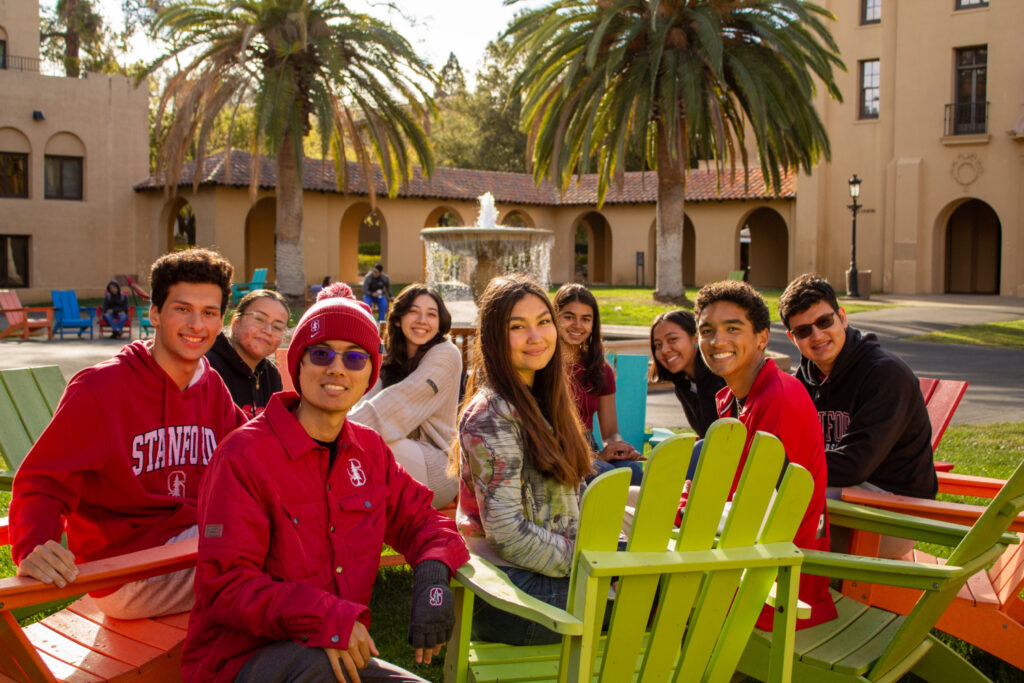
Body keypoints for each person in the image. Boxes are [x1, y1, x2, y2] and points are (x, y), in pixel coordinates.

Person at [182, 283, 469, 683]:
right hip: (242, 659)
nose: (337, 368)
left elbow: (422, 519)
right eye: (321, 354)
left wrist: (433, 576)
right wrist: (327, 616)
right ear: (297, 364)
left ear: (370, 374)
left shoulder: (369, 449)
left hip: (333, 652)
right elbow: (227, 585)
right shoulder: (243, 455)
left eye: (354, 358)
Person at [10, 248, 246, 619]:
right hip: (125, 570)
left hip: (192, 545)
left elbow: (246, 454)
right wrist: (34, 542)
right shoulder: (100, 389)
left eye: (209, 313)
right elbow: (43, 481)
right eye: (182, 309)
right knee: (269, 549)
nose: (197, 324)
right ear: (154, 313)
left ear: (221, 322)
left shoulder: (211, 385)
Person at [454, 274, 594, 646]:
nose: (536, 337)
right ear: (495, 339)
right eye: (518, 327)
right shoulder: (492, 415)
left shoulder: (542, 402)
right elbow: (507, 534)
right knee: (655, 596)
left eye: (543, 322)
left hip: (546, 574)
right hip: (508, 594)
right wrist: (590, 566)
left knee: (660, 575)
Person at [691, 279, 836, 630]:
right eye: (706, 330)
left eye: (732, 328)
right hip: (746, 557)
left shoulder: (778, 400)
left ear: (761, 337)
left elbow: (758, 513)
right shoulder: (740, 397)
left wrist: (679, 511)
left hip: (775, 589)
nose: (717, 341)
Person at [779, 274, 936, 556]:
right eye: (803, 331)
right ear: (792, 338)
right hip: (840, 500)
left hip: (894, 511)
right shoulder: (801, 382)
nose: (816, 335)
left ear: (842, 317)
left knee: (772, 509)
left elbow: (855, 466)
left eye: (824, 322)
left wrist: (776, 468)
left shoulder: (884, 375)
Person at [349, 284, 461, 507]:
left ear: (439, 323)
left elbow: (399, 402)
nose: (422, 320)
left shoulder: (446, 354)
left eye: (431, 314)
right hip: (400, 457)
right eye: (413, 311)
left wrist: (337, 431)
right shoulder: (389, 354)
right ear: (398, 319)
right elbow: (366, 398)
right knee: (360, 450)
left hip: (438, 467)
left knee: (367, 446)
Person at [553, 283, 644, 486]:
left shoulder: (600, 369)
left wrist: (619, 447)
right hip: (556, 449)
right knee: (606, 475)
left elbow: (610, 431)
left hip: (589, 445)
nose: (578, 325)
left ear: (593, 324)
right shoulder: (545, 365)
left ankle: (634, 519)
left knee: (633, 472)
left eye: (586, 319)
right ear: (554, 317)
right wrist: (598, 457)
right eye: (569, 317)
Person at [205, 288, 289, 418]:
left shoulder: (271, 375)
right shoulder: (208, 367)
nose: (268, 330)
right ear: (236, 323)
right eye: (259, 319)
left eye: (277, 327)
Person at [650, 309, 726, 438]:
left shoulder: (720, 378)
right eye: (658, 345)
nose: (664, 350)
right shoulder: (683, 385)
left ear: (696, 339)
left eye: (672, 339)